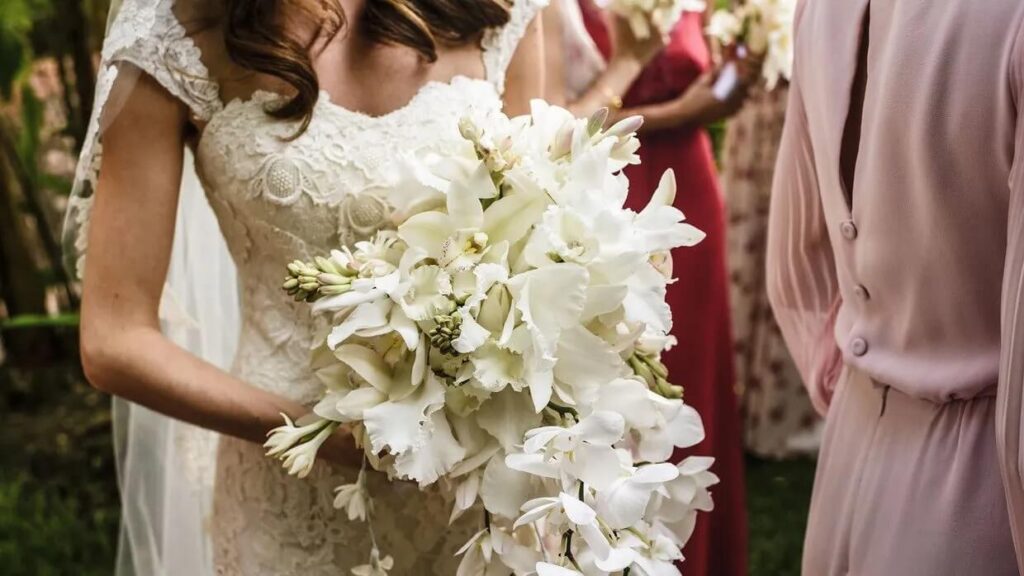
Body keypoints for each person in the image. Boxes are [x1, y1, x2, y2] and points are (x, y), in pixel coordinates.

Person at [65, 0, 545, 574]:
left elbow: (543, 229)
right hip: (296, 494)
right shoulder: (175, 33)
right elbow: (113, 340)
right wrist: (315, 432)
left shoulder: (500, 11)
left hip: (485, 486)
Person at [768, 0, 1024, 573]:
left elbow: (797, 250)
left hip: (855, 431)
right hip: (980, 480)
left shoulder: (821, 11)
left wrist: (840, 362)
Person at [545, 2, 757, 574]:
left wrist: (741, 66)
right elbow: (545, 130)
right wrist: (674, 111)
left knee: (689, 379)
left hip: (687, 195)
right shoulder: (552, 11)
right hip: (606, 200)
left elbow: (716, 77)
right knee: (617, 387)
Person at [721, 83, 821, 459]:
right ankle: (738, 396)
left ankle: (784, 402)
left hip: (796, 120)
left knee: (797, 244)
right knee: (746, 249)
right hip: (750, 128)